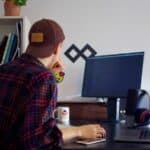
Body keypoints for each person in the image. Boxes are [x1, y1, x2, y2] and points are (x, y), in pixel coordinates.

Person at [0, 18, 106, 149]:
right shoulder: (43, 78)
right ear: (57, 48)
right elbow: (38, 142)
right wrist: (80, 131)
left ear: (30, 43)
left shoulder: (4, 68)